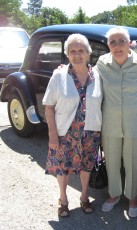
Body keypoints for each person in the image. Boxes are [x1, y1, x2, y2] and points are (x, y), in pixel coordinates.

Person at [95, 27, 137, 218]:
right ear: (108, 46)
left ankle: (132, 197)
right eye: (113, 42)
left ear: (129, 43)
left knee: (132, 160)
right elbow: (88, 79)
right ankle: (113, 194)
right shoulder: (102, 63)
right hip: (110, 121)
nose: (117, 45)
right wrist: (67, 69)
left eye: (121, 41)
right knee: (111, 159)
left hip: (134, 120)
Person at [42, 33, 103, 217]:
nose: (77, 54)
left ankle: (84, 197)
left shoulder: (97, 75)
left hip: (91, 131)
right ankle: (63, 199)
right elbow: (49, 107)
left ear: (88, 53)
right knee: (62, 167)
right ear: (67, 54)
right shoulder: (59, 75)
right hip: (64, 131)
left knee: (86, 165)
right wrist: (52, 135)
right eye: (72, 51)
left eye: (81, 50)